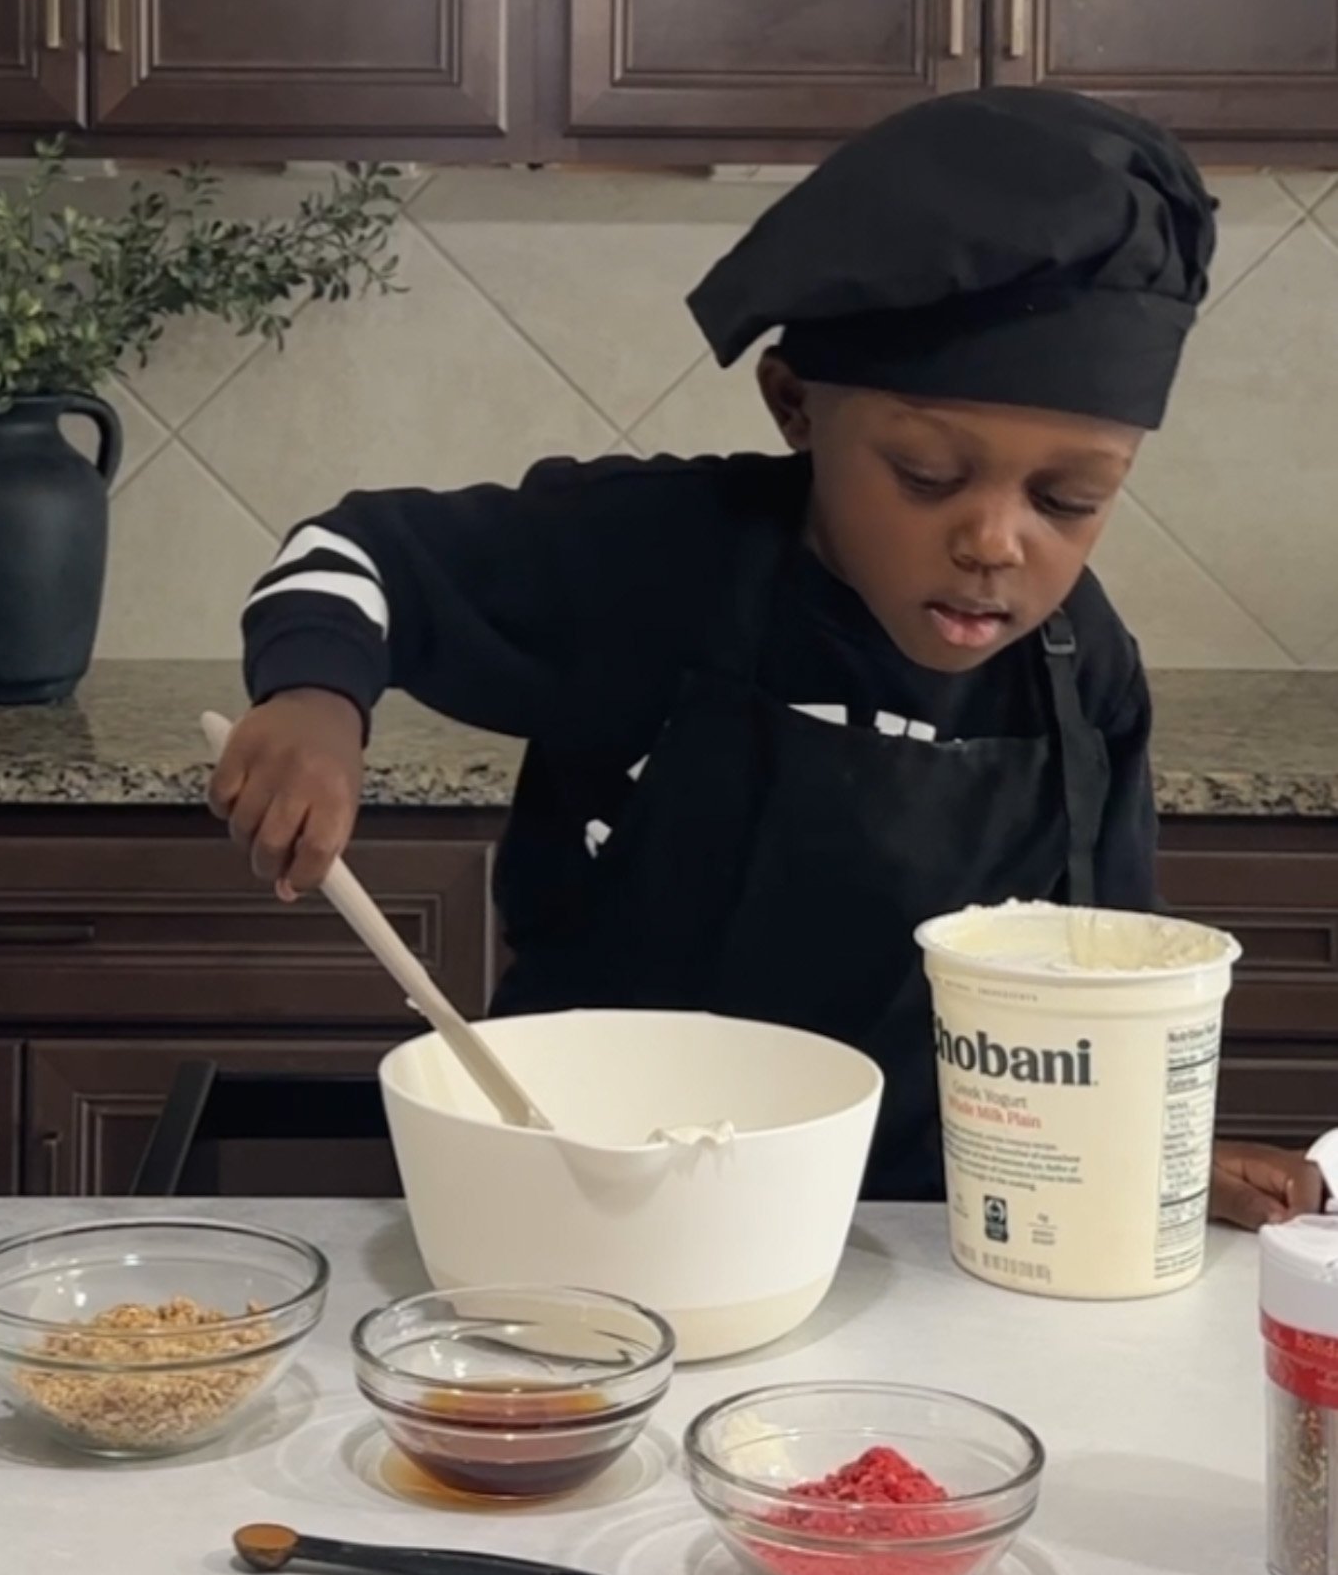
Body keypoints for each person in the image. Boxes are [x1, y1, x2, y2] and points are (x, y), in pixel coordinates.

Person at [210, 87, 1322, 1231]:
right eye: (929, 475)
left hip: (919, 1238)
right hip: (593, 1207)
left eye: (1068, 498)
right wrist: (314, 699)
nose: (995, 541)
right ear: (795, 405)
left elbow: (1102, 985)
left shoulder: (1082, 670)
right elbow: (355, 553)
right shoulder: (653, 555)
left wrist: (1146, 1150)